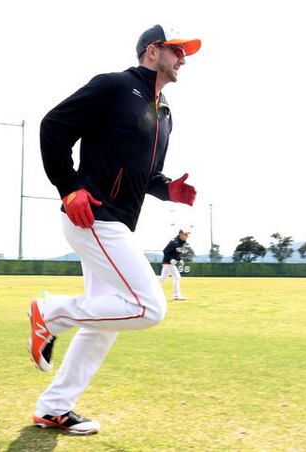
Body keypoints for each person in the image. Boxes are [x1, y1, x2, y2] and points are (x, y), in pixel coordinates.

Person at [28, 24, 200, 435]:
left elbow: (147, 174)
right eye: (177, 50)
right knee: (149, 307)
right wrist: (69, 188)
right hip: (92, 217)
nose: (183, 58)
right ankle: (50, 314)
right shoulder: (114, 86)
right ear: (153, 51)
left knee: (106, 323)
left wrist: (167, 188)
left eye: (185, 53)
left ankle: (54, 408)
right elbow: (53, 127)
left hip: (116, 224)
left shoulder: (164, 114)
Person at [159, 229, 190, 300]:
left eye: (187, 234)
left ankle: (149, 280)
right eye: (185, 234)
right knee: (177, 277)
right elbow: (165, 251)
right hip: (168, 263)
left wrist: (179, 259)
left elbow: (176, 253)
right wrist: (170, 259)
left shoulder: (181, 242)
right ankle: (176, 296)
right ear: (181, 234)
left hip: (169, 263)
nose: (187, 236)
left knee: (162, 279)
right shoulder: (174, 241)